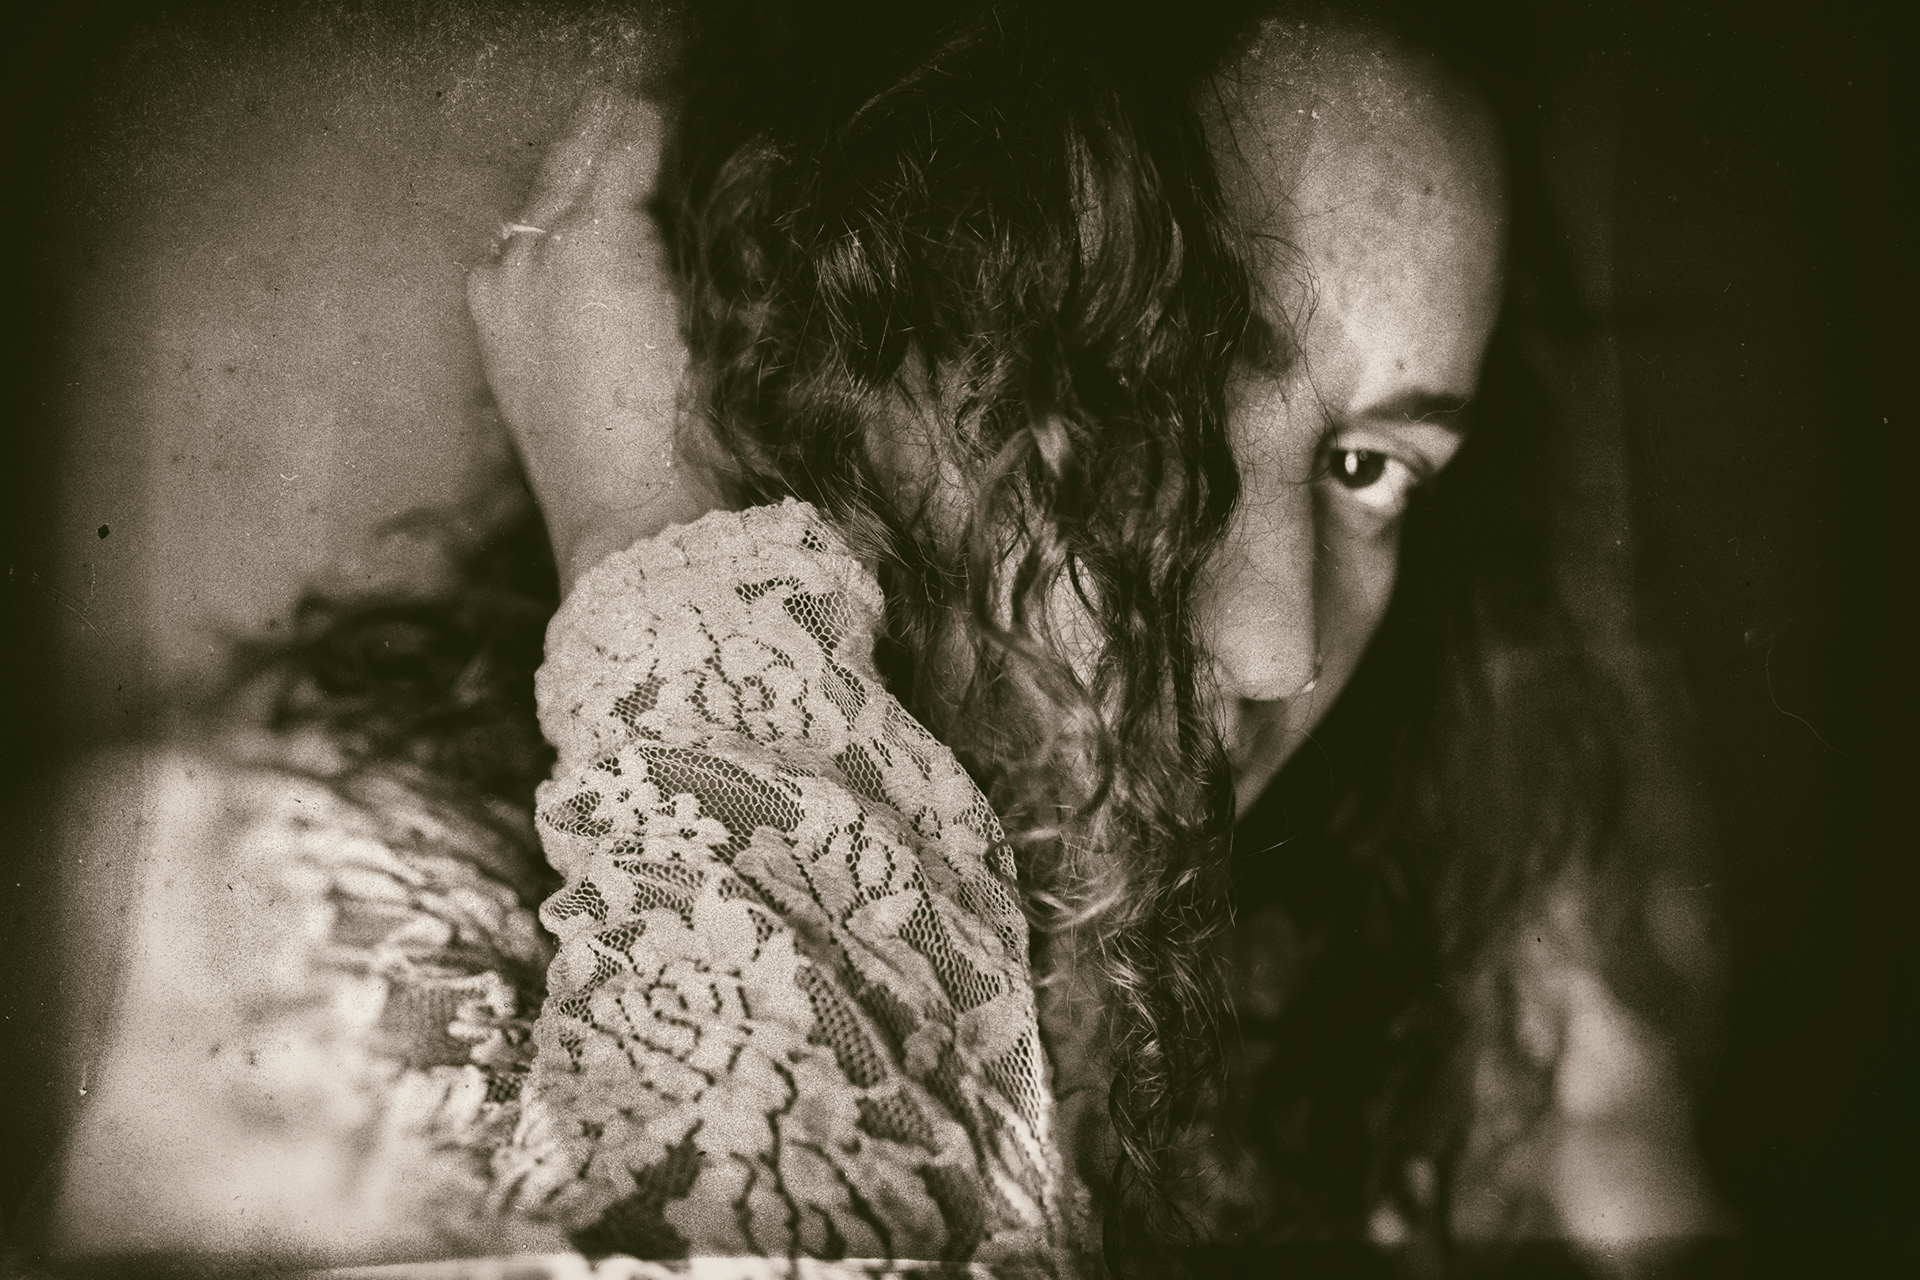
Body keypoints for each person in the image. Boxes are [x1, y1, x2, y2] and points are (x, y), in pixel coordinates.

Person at [34, 0, 1720, 1274]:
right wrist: (666, 562)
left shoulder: (1418, 983)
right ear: (802, 335)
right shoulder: (283, 907)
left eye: (1369, 470)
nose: (1277, 649)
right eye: (1151, 408)